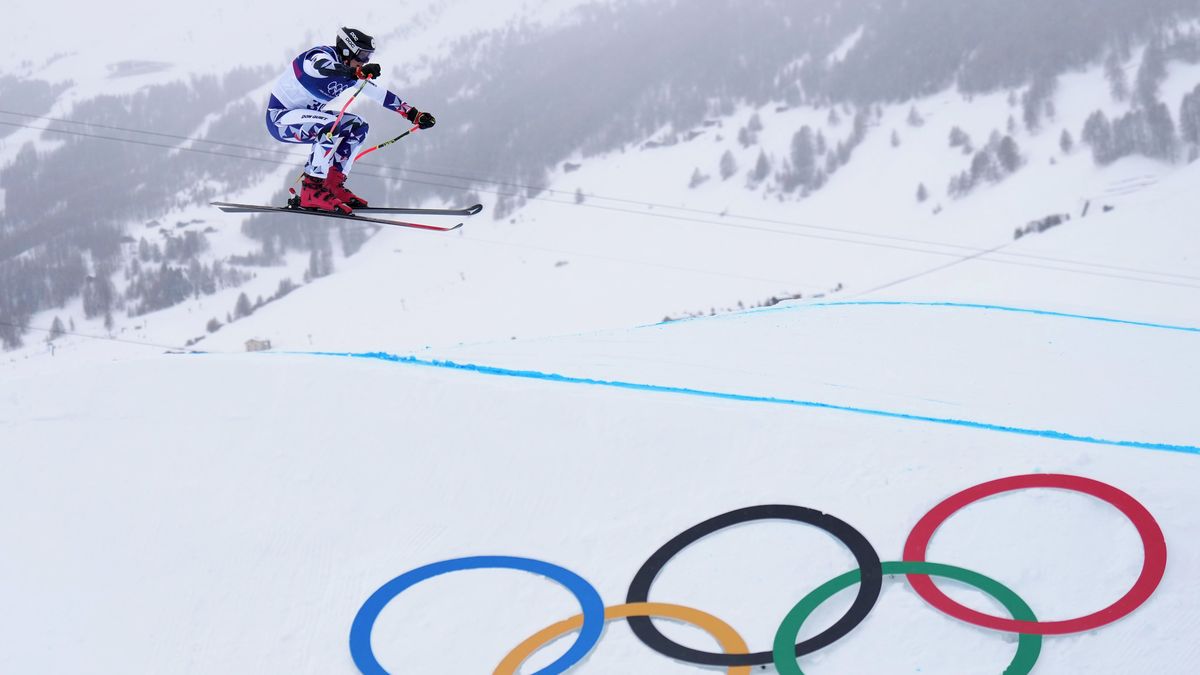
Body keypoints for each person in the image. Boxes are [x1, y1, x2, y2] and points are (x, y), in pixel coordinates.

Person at [265, 27, 436, 212]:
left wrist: (413, 114)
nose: (365, 62)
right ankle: (311, 190)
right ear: (347, 49)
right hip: (280, 119)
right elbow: (321, 67)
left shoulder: (351, 73)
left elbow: (380, 95)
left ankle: (332, 184)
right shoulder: (319, 56)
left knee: (359, 126)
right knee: (330, 127)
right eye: (362, 55)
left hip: (305, 118)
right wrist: (354, 73)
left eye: (368, 57)